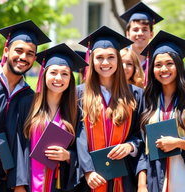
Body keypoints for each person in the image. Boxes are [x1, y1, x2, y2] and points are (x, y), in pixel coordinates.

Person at [77, 26, 144, 192]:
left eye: (111, 57)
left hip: (124, 177)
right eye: (99, 57)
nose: (105, 63)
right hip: (89, 180)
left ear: (117, 60)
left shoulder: (136, 94)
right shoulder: (79, 94)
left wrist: (130, 146)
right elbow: (76, 134)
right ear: (92, 60)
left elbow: (141, 133)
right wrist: (88, 170)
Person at [0, 20, 51, 191]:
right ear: (6, 51)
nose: (23, 57)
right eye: (19, 50)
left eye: (30, 54)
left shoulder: (30, 97)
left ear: (35, 59)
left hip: (8, 177)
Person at [19, 43, 88, 191]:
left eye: (65, 74)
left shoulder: (75, 111)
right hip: (27, 184)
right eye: (53, 72)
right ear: (44, 75)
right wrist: (19, 184)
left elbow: (82, 149)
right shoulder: (27, 103)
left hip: (58, 184)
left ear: (70, 79)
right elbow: (16, 145)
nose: (58, 78)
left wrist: (68, 155)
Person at [138, 31, 185, 192]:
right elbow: (143, 148)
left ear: (178, 65)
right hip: (155, 176)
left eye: (169, 63)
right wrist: (141, 185)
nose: (163, 69)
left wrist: (179, 143)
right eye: (158, 65)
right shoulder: (148, 100)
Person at [120, 2, 163, 70]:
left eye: (144, 30)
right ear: (127, 34)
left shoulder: (157, 61)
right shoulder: (120, 58)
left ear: (151, 34)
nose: (140, 33)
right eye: (135, 29)